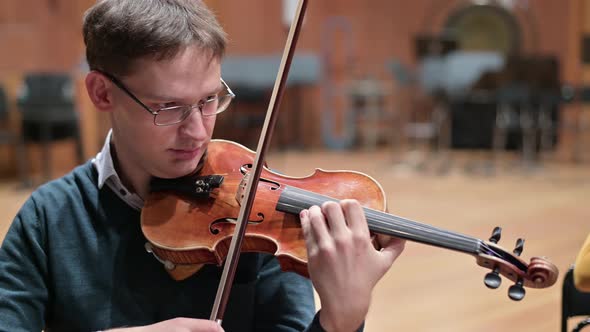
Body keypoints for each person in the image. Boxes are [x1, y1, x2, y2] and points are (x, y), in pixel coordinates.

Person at [0, 0, 405, 331]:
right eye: (168, 107)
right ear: (102, 92)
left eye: (209, 100)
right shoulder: (47, 219)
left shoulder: (251, 206)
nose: (197, 132)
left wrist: (340, 321)